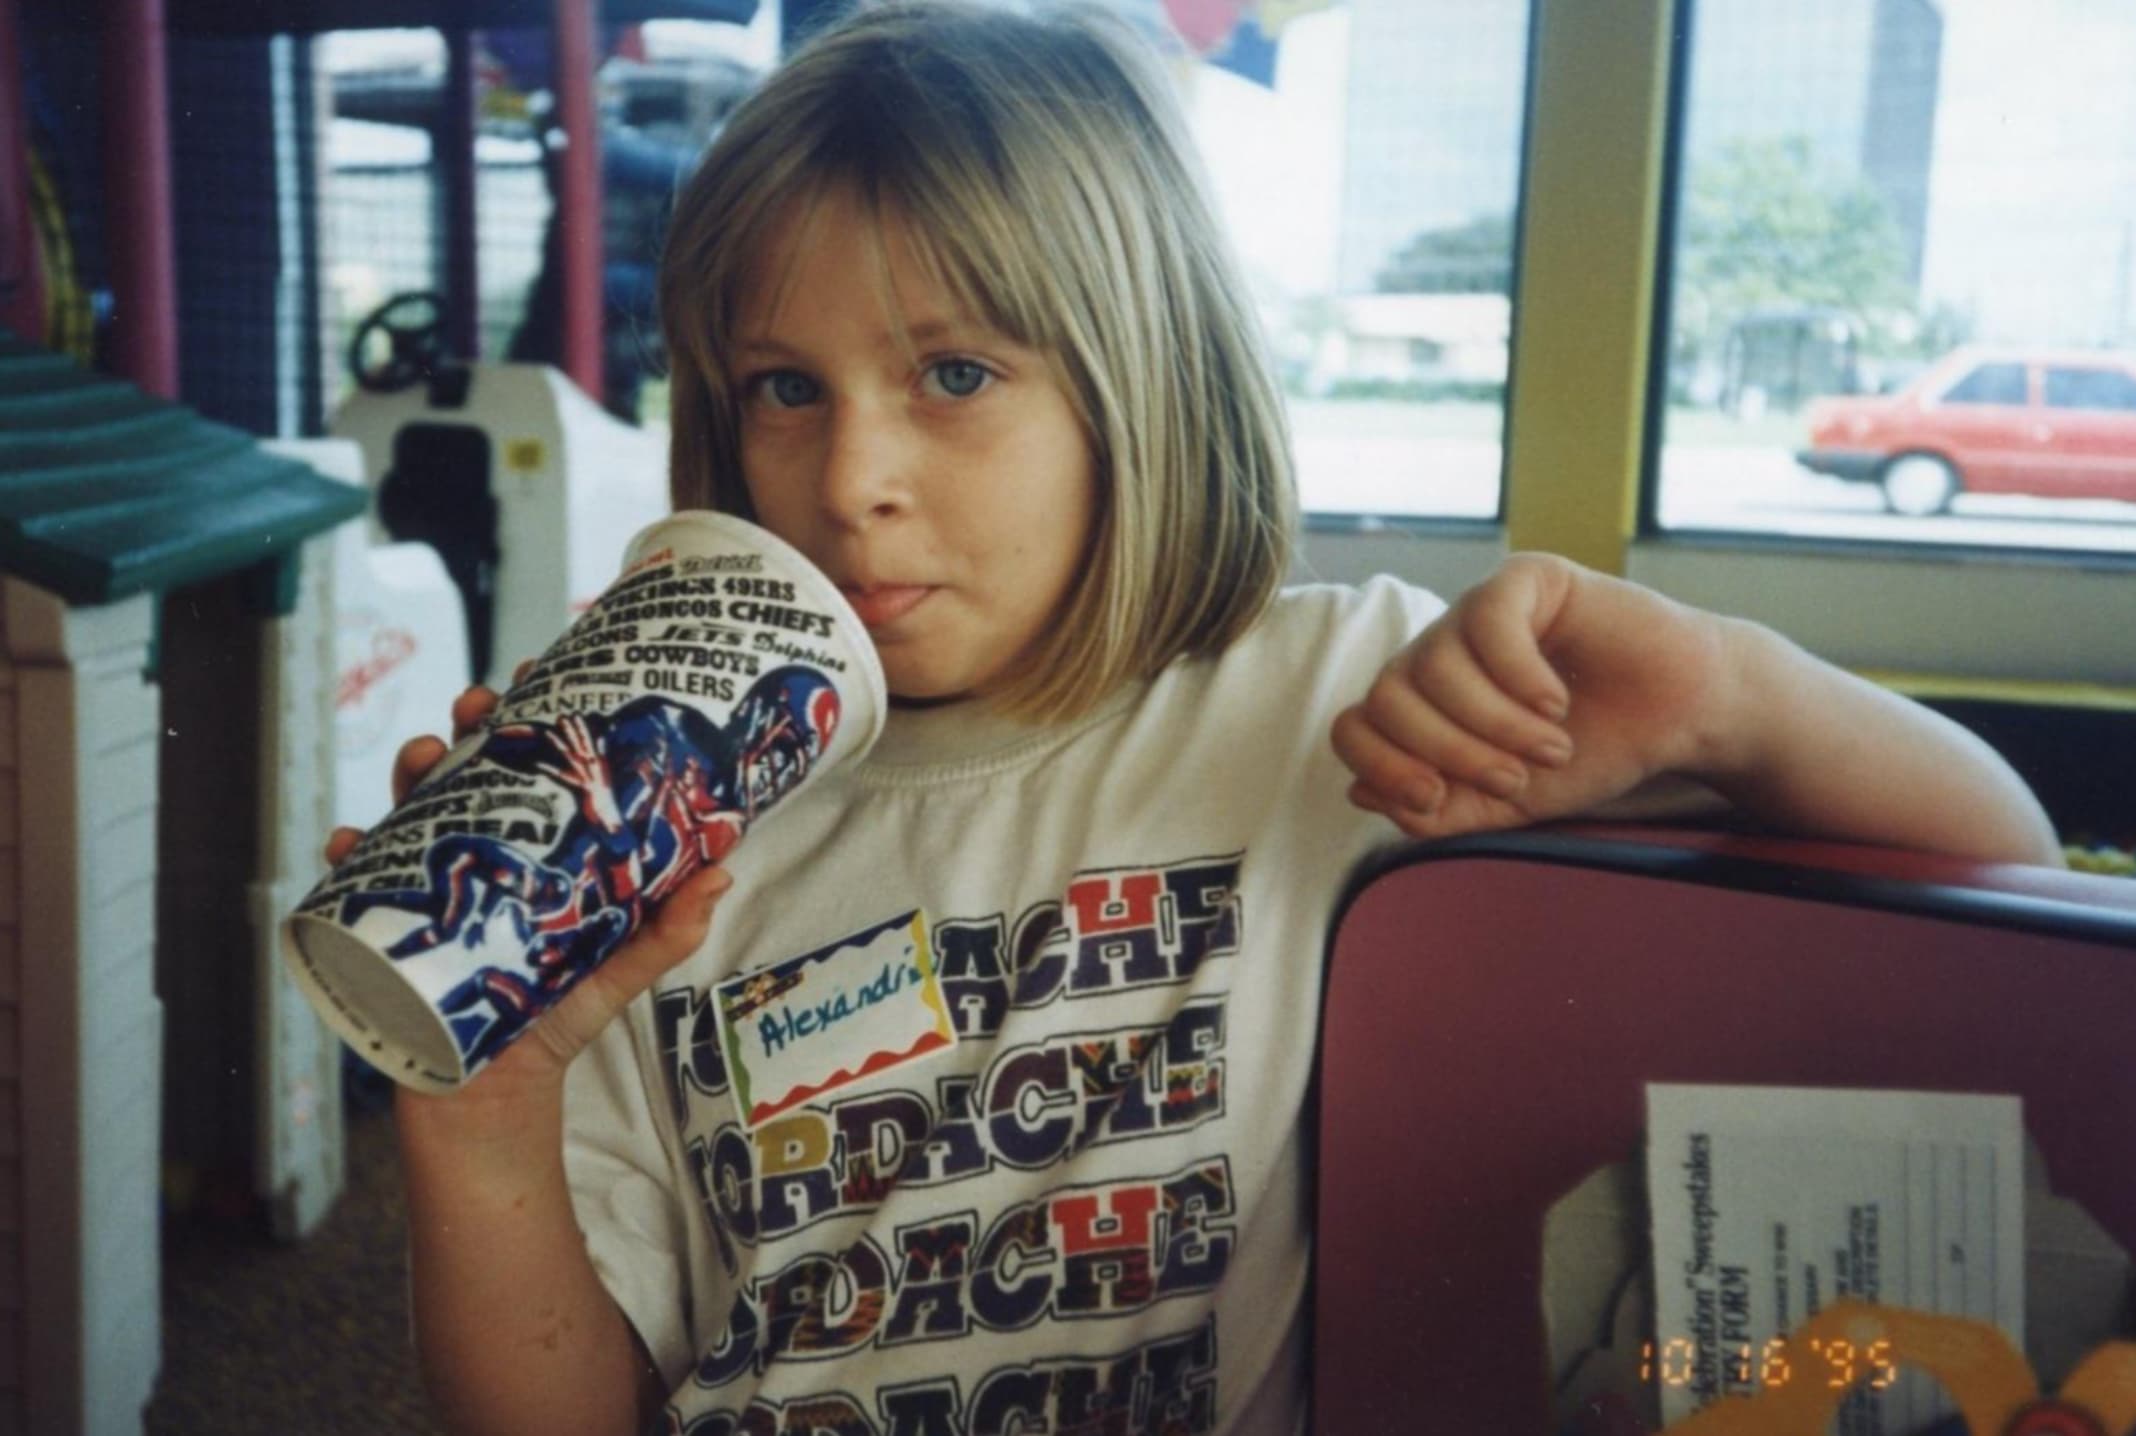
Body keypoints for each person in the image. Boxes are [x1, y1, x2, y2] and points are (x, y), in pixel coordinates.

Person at [329, 4, 2062, 1433]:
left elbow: (2002, 893)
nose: (851, 480)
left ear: (1141, 378)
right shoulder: (666, 830)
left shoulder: (1346, 703)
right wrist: (483, 1114)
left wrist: (1734, 697)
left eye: (955, 374)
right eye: (786, 388)